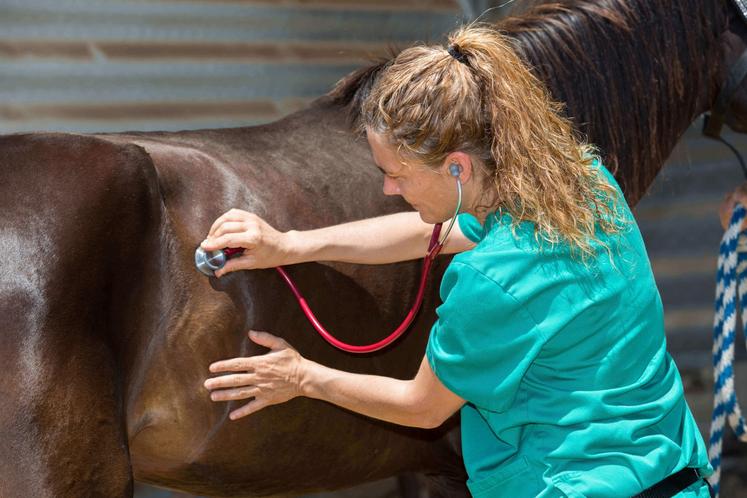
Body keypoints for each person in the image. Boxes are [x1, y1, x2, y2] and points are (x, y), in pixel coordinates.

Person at [200, 25, 712, 497]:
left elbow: (422, 407)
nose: (388, 189)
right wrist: (291, 244)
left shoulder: (491, 280)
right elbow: (435, 232)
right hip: (674, 473)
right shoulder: (581, 180)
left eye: (397, 174)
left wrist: (300, 376)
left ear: (458, 167)